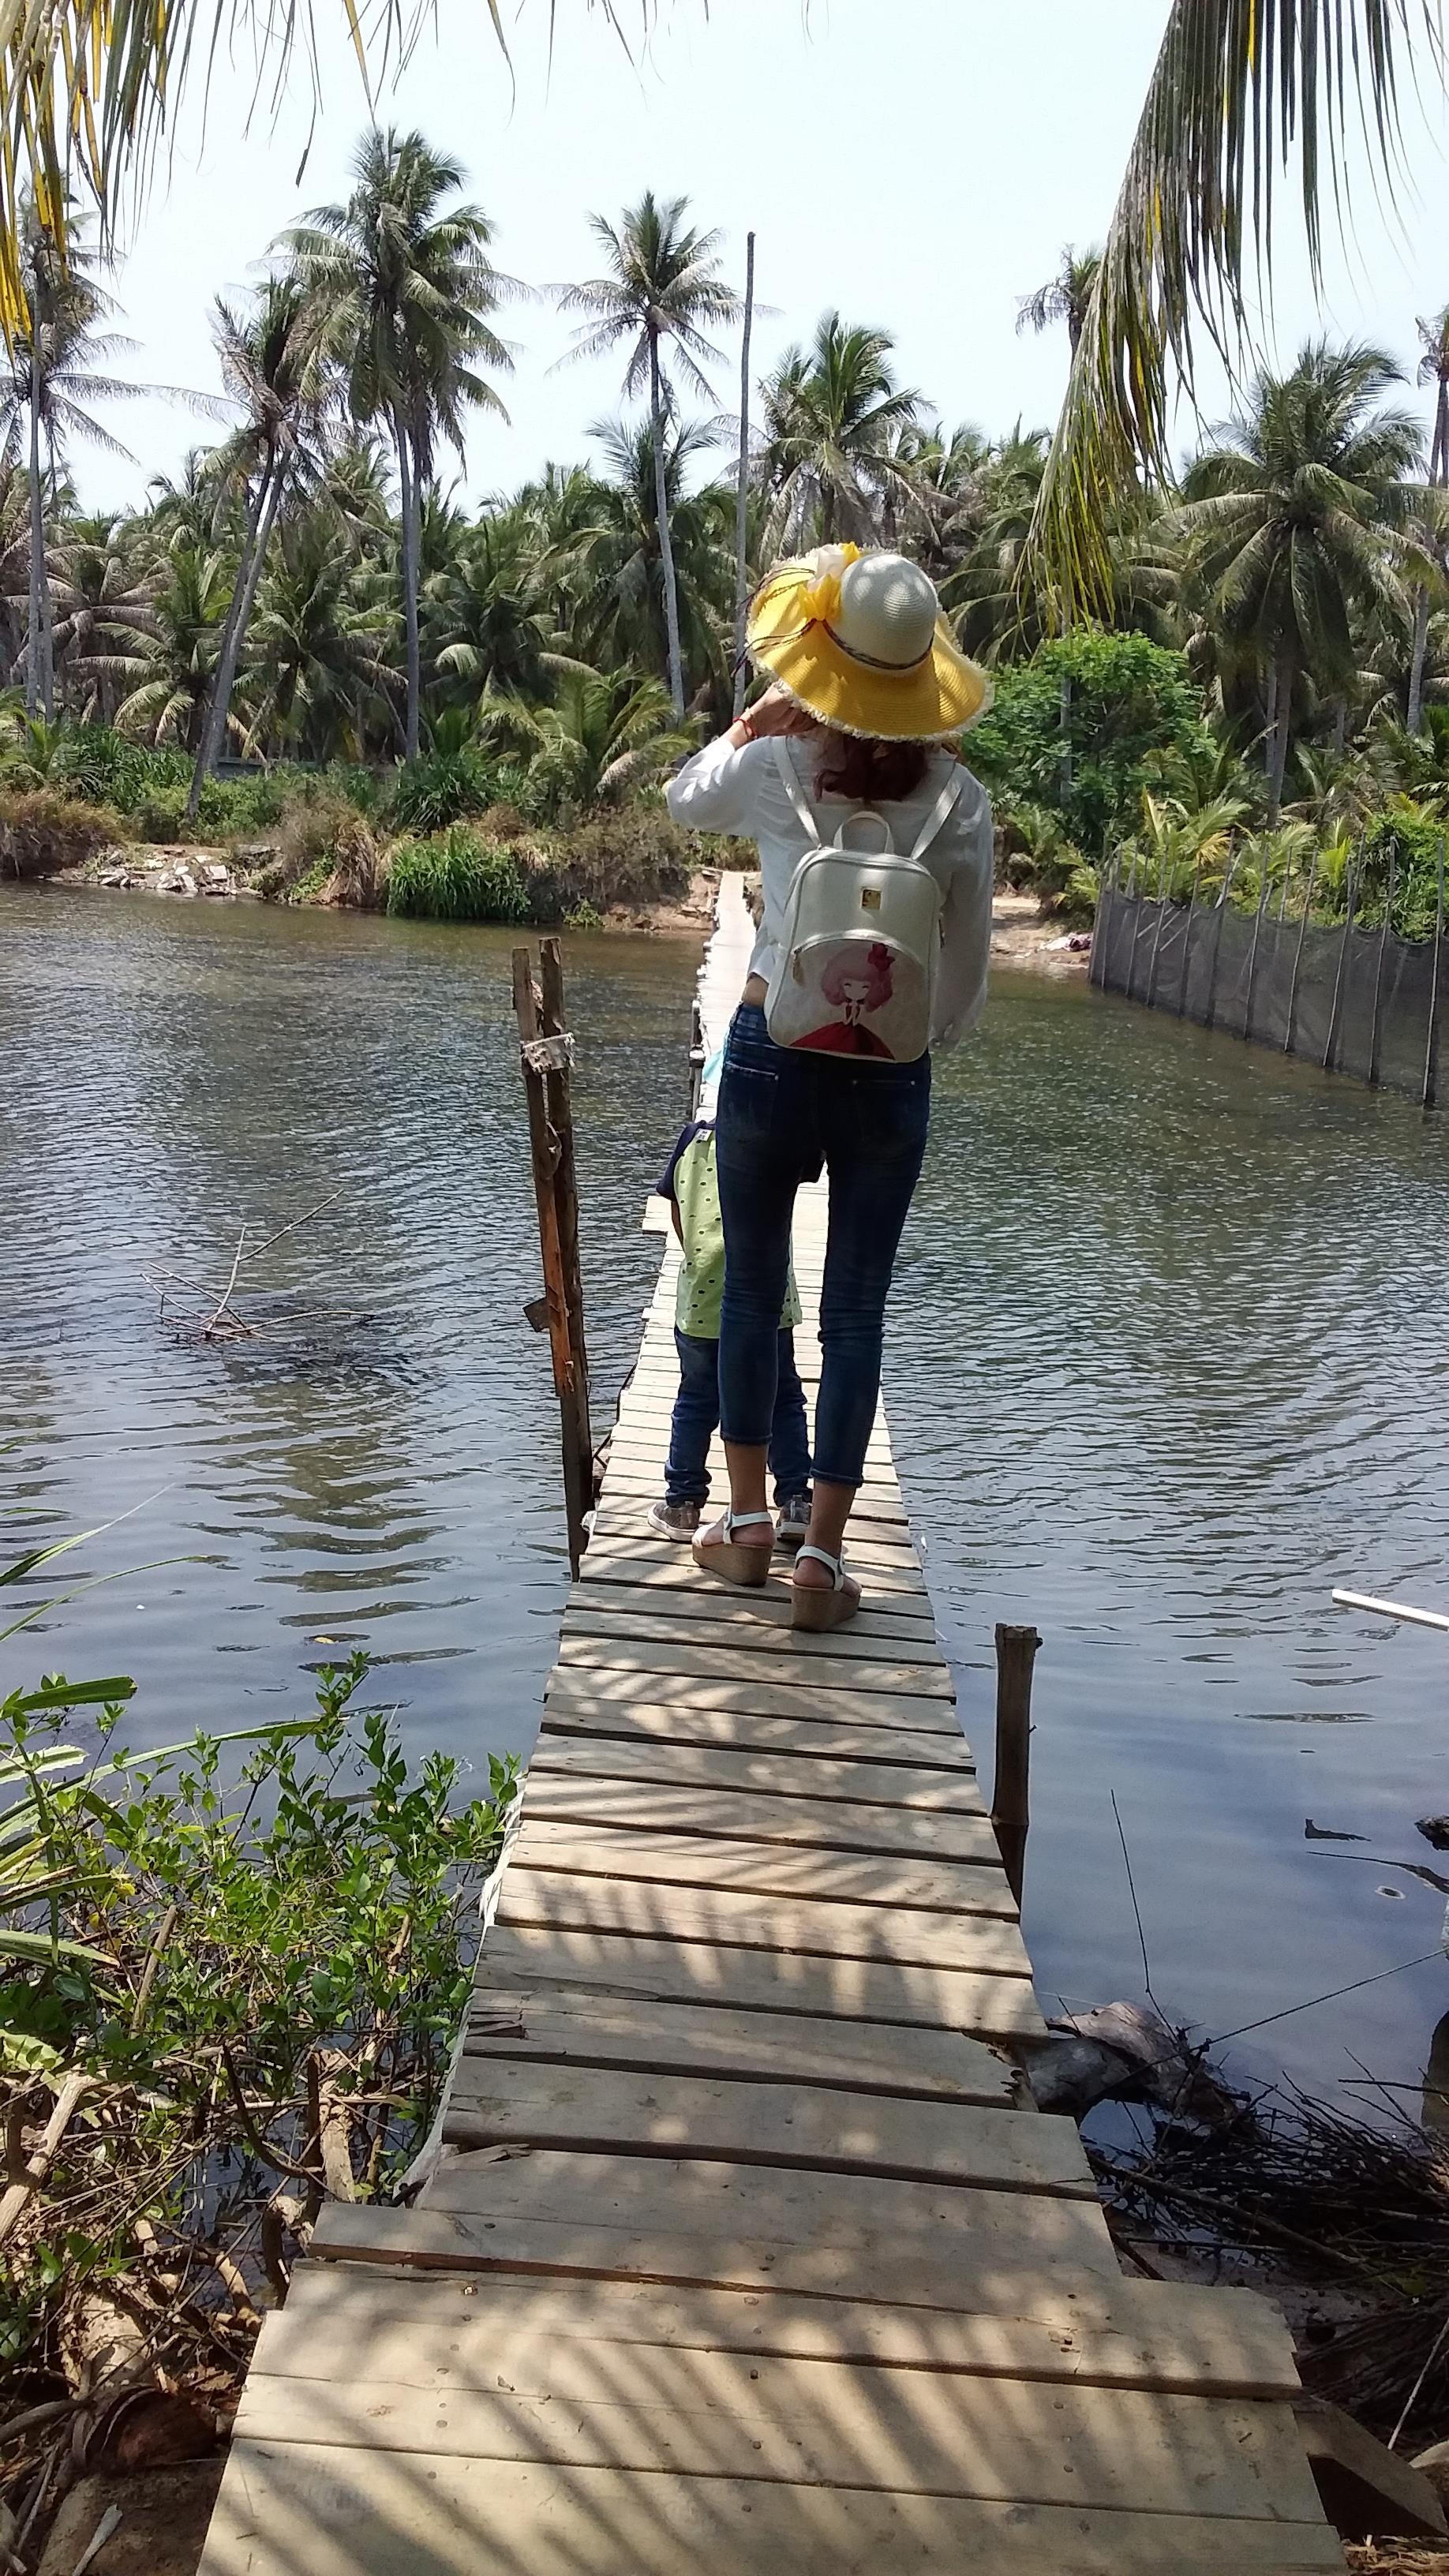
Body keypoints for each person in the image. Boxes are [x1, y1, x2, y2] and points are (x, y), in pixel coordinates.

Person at [666, 544, 994, 1632]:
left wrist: (756, 722)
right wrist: (903, 1042)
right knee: (854, 1311)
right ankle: (824, 1560)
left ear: (823, 665)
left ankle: (748, 1526)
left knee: (755, 1292)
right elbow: (967, 979)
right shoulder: (964, 803)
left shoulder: (774, 768)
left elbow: (681, 801)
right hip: (887, 1078)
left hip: (769, 1046)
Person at [647, 1118, 813, 1545]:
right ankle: (796, 1500)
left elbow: (676, 1210)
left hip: (702, 1300)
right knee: (782, 1397)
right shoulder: (782, 1135)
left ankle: (683, 1503)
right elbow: (814, 1163)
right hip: (768, 1298)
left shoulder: (691, 1139)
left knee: (697, 1399)